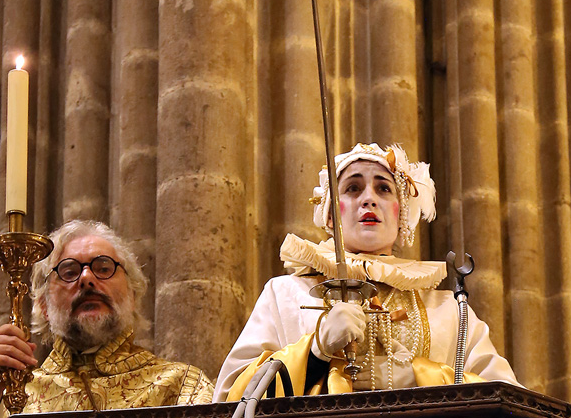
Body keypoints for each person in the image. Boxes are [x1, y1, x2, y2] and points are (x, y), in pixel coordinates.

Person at [213, 142, 518, 401]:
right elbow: (232, 397)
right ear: (330, 214)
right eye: (353, 188)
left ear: (402, 214)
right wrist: (315, 351)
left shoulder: (449, 311)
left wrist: (420, 376)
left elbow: (507, 400)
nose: (369, 199)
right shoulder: (286, 295)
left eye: (384, 188)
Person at [0, 220, 213, 418]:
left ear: (133, 294)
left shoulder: (182, 386)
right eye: (69, 272)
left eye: (104, 268)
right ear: (43, 306)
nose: (87, 279)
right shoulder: (16, 399)